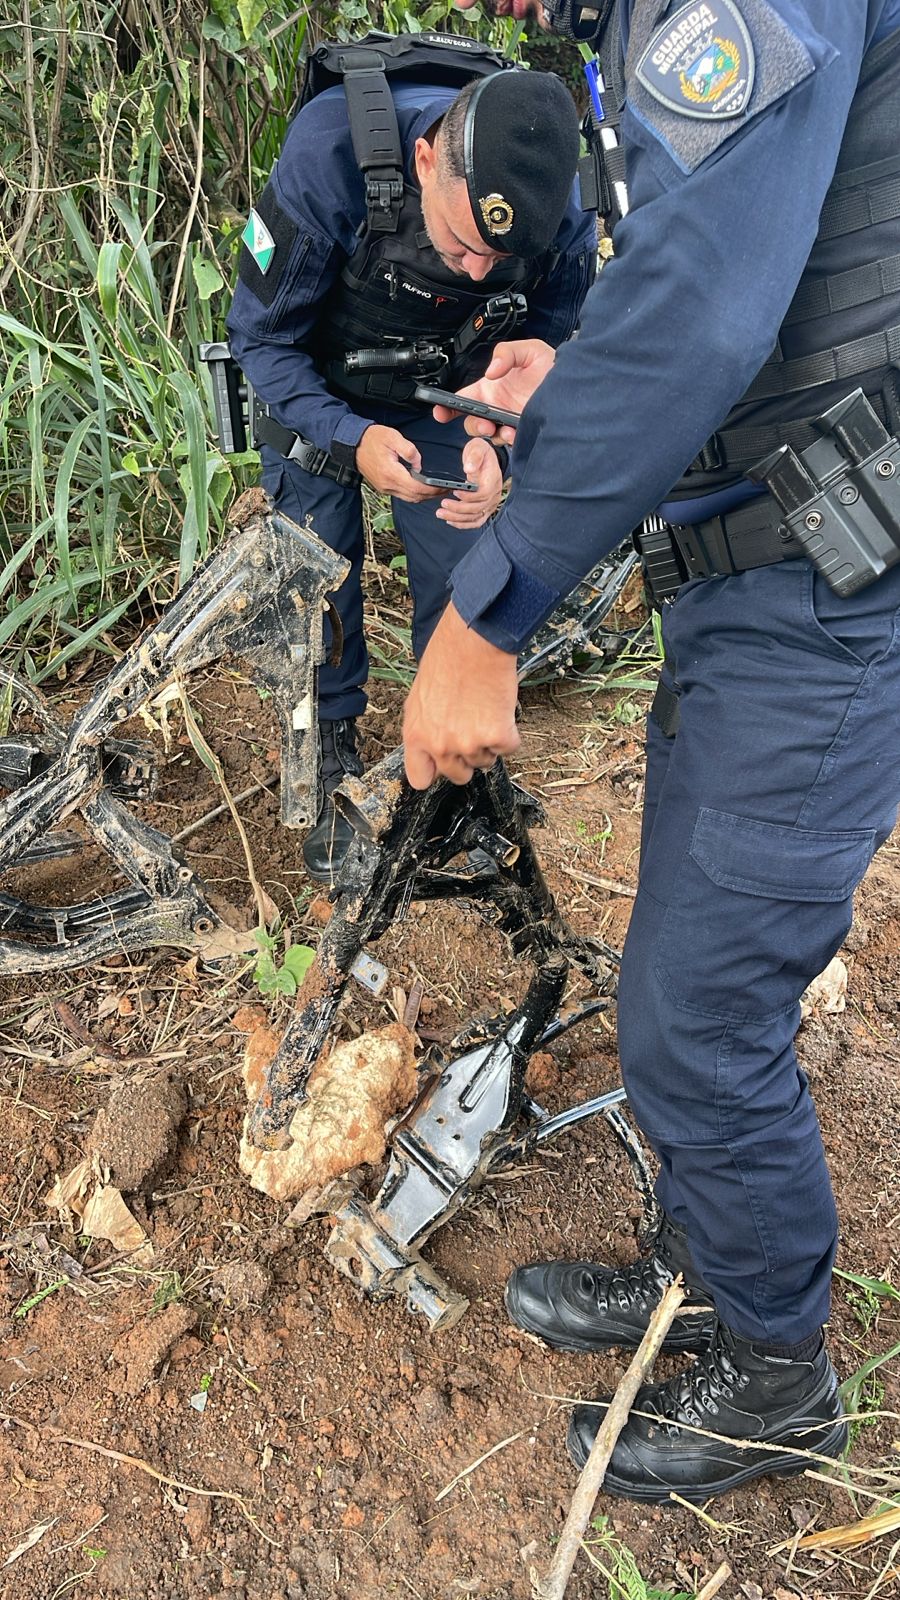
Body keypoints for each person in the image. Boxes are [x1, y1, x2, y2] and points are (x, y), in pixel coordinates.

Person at [402, 0, 900, 1503]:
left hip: (829, 588)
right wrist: (567, 389)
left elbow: (704, 303)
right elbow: (738, 282)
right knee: (677, 962)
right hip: (764, 581)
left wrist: (487, 616)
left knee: (696, 1009)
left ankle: (774, 1378)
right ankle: (711, 1259)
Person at [227, 37, 596, 882]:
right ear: (426, 161)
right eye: (464, 244)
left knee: (470, 572)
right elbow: (261, 340)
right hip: (318, 386)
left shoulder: (561, 212)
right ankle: (328, 754)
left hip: (444, 391)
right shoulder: (332, 152)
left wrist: (504, 438)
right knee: (317, 577)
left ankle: (450, 777)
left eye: (499, 259)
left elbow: (548, 345)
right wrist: (351, 439)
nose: (476, 268)